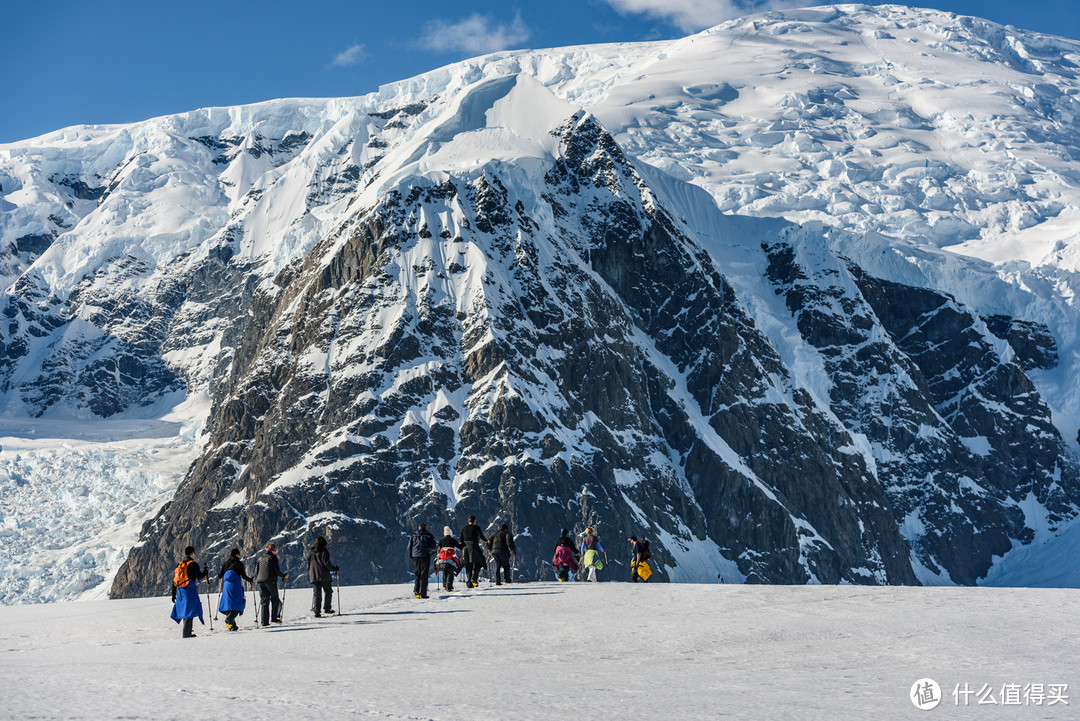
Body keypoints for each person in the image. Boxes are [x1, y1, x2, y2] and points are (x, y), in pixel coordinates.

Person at [170, 545, 208, 638]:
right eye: (194, 553)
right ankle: (186, 635)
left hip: (180, 591)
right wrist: (205, 571)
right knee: (189, 612)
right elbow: (199, 576)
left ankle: (188, 632)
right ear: (192, 553)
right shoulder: (193, 564)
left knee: (185, 611)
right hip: (189, 591)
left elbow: (175, 580)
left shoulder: (179, 564)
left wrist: (173, 594)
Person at [217, 547, 252, 631]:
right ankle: (229, 620)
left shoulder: (225, 563)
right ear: (237, 555)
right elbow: (243, 575)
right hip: (235, 586)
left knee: (229, 605)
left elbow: (219, 576)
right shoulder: (239, 563)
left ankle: (232, 627)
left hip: (226, 587)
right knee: (237, 604)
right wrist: (250, 580)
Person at [255, 543, 289, 626]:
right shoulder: (272, 557)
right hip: (270, 581)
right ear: (274, 550)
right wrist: (284, 576)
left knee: (264, 602)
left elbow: (257, 571)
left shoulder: (260, 558)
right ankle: (274, 618)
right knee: (275, 599)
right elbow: (276, 570)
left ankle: (264, 622)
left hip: (261, 581)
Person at [307, 536, 339, 618]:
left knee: (317, 594)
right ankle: (327, 609)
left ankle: (317, 612)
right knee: (328, 592)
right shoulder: (324, 551)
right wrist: (334, 568)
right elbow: (326, 564)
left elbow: (308, 565)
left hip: (314, 576)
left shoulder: (311, 552)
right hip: (324, 576)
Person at [408, 522, 438, 598]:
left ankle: (416, 592)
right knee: (424, 575)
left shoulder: (413, 535)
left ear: (419, 528)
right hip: (425, 556)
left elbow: (409, 547)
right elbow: (433, 546)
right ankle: (423, 594)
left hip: (415, 556)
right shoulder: (429, 535)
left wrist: (411, 556)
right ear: (426, 528)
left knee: (417, 574)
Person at [459, 516, 488, 588]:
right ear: (474, 521)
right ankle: (474, 578)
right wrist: (487, 540)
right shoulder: (476, 527)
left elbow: (460, 540)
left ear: (468, 521)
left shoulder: (464, 528)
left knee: (468, 565)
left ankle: (469, 582)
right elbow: (481, 536)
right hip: (474, 547)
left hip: (465, 547)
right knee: (479, 562)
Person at [436, 526, 462, 592]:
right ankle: (449, 586)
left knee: (445, 571)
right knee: (451, 571)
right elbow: (460, 547)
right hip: (450, 559)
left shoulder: (441, 540)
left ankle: (445, 585)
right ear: (450, 533)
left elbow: (438, 548)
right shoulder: (453, 540)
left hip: (442, 559)